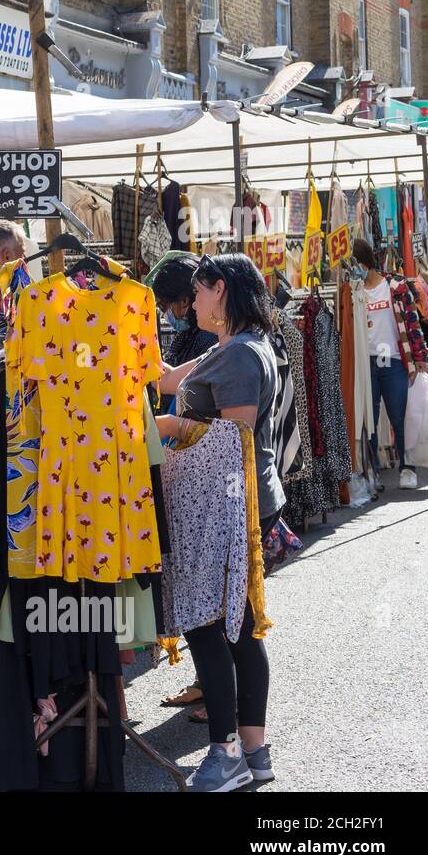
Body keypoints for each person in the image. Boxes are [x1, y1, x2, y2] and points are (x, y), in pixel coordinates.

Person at [155, 253, 281, 792]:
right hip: (239, 503)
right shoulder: (238, 347)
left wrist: (170, 424)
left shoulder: (237, 357)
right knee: (241, 630)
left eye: (200, 291)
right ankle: (254, 750)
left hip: (225, 506)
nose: (194, 301)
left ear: (220, 289)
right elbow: (164, 380)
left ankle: (226, 752)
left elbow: (236, 439)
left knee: (209, 624)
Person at [149, 251, 218, 713]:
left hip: (202, 471)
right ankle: (210, 682)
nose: (180, 309)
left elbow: (180, 391)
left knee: (203, 582)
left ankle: (215, 687)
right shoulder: (200, 337)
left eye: (181, 301)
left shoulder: (213, 342)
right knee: (199, 582)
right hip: (189, 465)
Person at [353, 239, 428, 490]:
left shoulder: (395, 286)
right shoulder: (353, 291)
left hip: (393, 359)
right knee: (371, 418)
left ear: (363, 263)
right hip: (367, 362)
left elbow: (412, 323)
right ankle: (373, 469)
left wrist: (420, 357)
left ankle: (407, 467)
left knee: (399, 416)